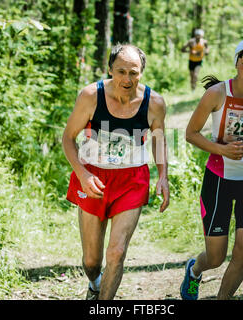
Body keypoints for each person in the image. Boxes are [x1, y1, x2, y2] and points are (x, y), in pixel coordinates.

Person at [62, 44, 170, 300]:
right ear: (109, 70)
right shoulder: (90, 96)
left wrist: (163, 176)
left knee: (117, 252)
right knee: (91, 261)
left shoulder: (154, 103)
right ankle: (94, 283)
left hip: (131, 179)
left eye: (133, 72)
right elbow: (68, 138)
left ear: (141, 72)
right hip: (93, 178)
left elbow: (159, 139)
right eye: (120, 71)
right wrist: (82, 174)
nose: (127, 79)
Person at [180, 39, 243, 300]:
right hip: (218, 181)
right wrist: (222, 150)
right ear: (237, 62)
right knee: (215, 257)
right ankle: (194, 271)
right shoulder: (217, 93)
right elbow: (191, 134)